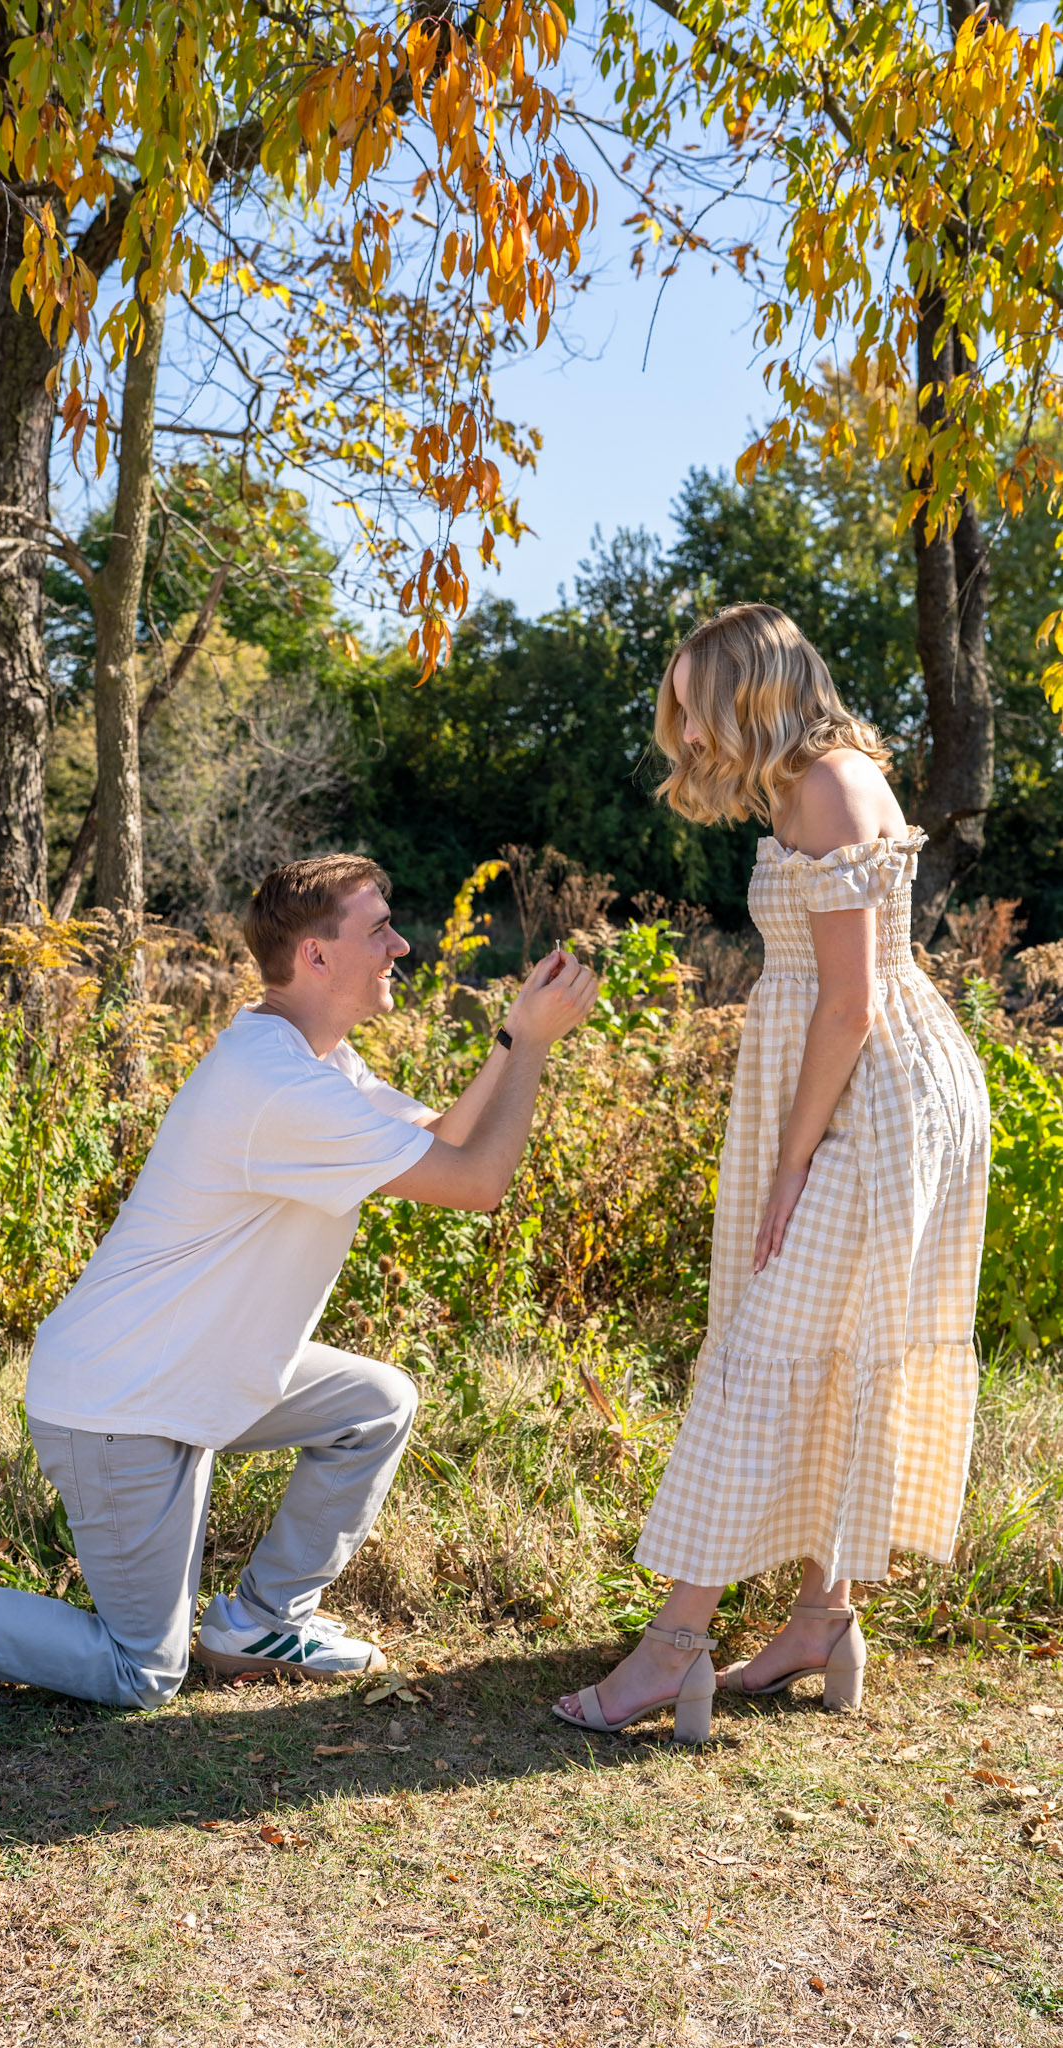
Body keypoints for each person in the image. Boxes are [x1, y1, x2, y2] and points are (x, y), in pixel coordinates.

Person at [0, 853, 598, 1719]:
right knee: (140, 1672)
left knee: (374, 1404)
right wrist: (534, 1044)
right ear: (316, 956)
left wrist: (510, 1036)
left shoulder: (310, 1060)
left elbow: (444, 1139)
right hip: (121, 1400)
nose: (400, 946)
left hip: (192, 1370)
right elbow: (476, 1182)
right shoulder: (278, 1086)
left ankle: (262, 1624)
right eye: (379, 930)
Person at [556, 603, 990, 1745]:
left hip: (868, 1099)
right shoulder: (809, 782)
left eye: (697, 708)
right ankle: (819, 1619)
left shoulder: (830, 786)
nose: (690, 733)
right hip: (855, 1082)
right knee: (820, 1343)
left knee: (768, 1346)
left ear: (752, 692)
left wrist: (793, 1163)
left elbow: (850, 1001)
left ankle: (672, 1647)